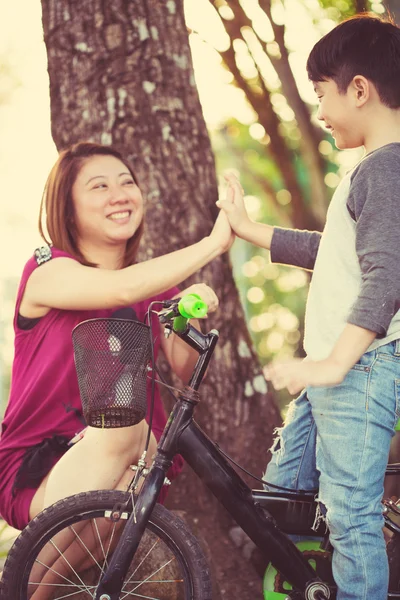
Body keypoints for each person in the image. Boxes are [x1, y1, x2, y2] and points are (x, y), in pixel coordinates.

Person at [218, 13, 400, 600]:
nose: (319, 109)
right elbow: (333, 252)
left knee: (351, 516)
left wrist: (331, 365)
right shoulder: (371, 171)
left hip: (358, 372)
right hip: (337, 375)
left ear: (360, 90)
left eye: (322, 94)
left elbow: (386, 278)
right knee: (278, 501)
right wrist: (250, 230)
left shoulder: (388, 169)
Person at [0, 141, 234, 532]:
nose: (120, 195)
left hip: (132, 465)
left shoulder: (154, 293)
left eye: (126, 182)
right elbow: (122, 290)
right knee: (126, 423)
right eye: (99, 187)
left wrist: (187, 309)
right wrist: (214, 243)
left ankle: (31, 592)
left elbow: (186, 367)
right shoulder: (47, 271)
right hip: (37, 472)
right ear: (68, 210)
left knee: (135, 471)